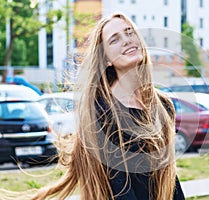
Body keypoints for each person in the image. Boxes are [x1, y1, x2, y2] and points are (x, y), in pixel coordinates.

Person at [23, 12, 185, 200]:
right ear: (106, 58)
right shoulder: (102, 111)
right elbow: (119, 188)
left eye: (130, 32)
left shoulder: (163, 105)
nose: (127, 40)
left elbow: (169, 177)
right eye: (114, 39)